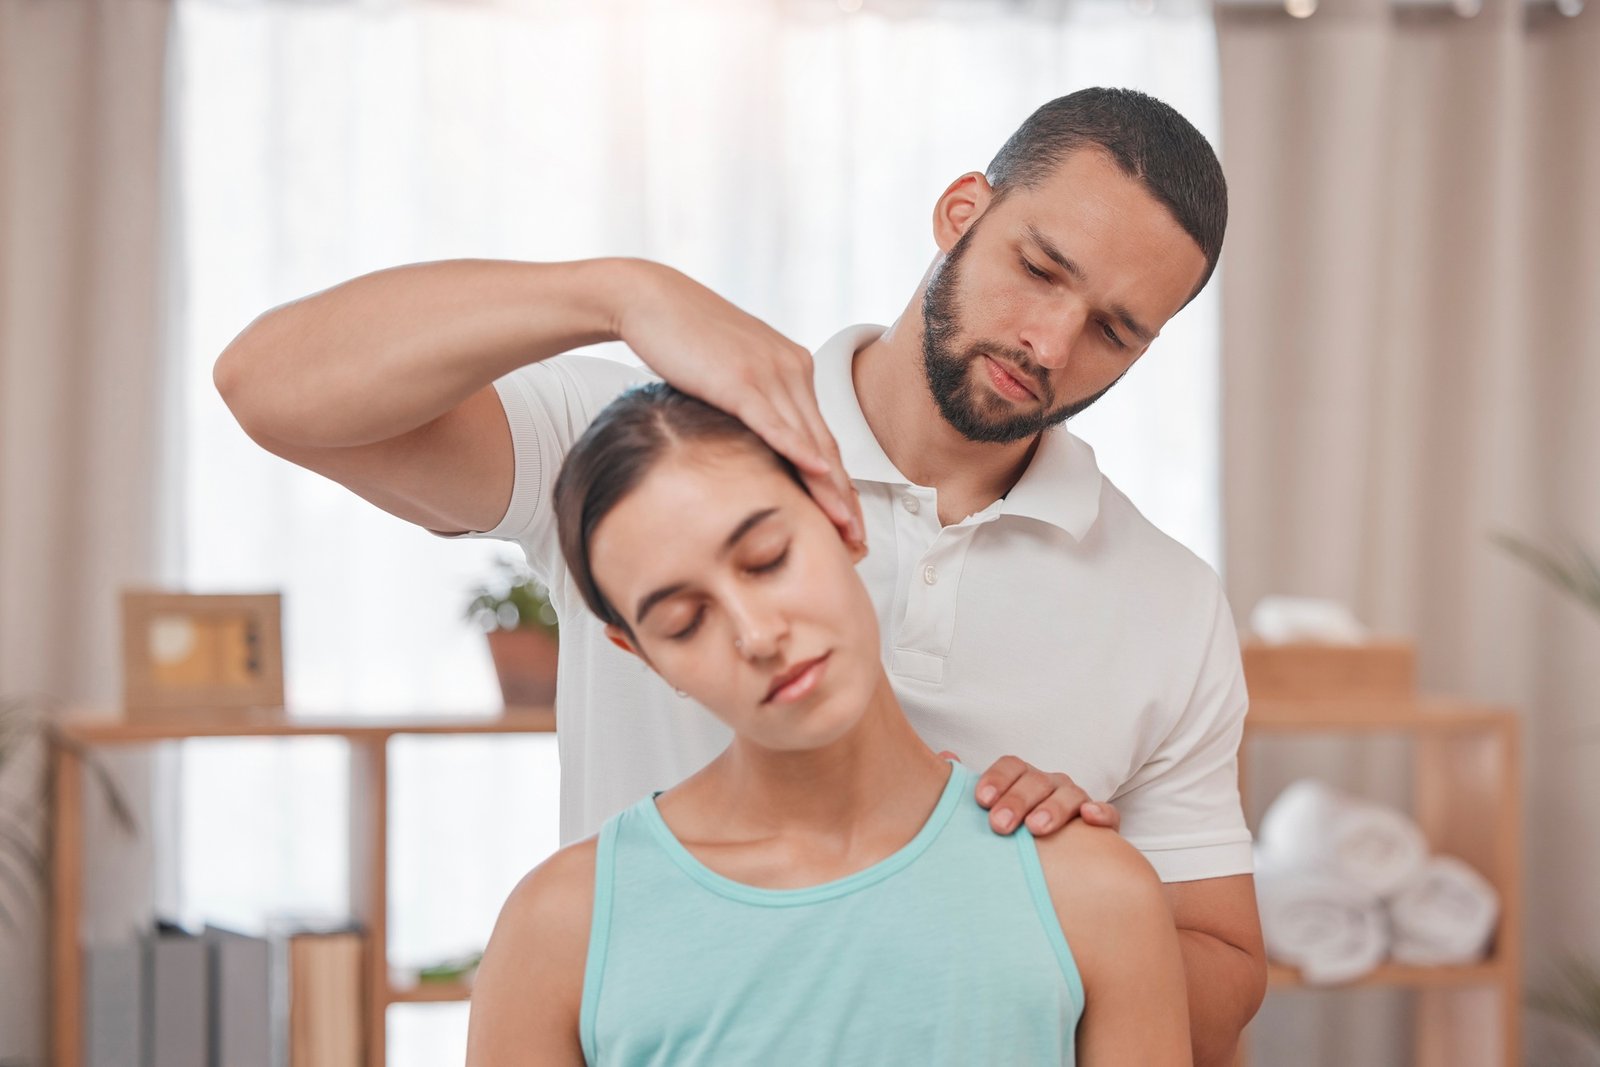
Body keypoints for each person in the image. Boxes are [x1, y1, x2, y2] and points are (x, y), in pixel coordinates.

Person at [214, 87, 1266, 1063]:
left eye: (1114, 330)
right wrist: (620, 292)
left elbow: (1218, 969)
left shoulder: (1164, 604)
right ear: (960, 210)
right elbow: (269, 388)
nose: (1049, 340)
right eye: (1040, 268)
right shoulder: (653, 457)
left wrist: (1048, 901)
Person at [464, 381, 1192, 1065]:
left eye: (767, 559)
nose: (757, 634)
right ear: (643, 655)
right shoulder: (560, 928)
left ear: (840, 513)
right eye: (685, 622)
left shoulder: (1091, 893)